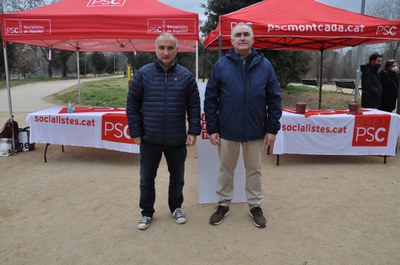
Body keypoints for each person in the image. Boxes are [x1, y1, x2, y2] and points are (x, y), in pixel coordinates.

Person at [204, 22, 282, 228]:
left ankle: (255, 206)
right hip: (227, 129)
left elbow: (274, 98)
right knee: (225, 169)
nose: (242, 38)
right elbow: (211, 98)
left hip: (256, 130)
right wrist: (212, 128)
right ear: (232, 40)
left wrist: (272, 128)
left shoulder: (265, 65)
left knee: (254, 170)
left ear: (253, 39)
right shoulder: (221, 65)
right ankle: (223, 205)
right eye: (238, 35)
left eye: (246, 34)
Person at [126, 33, 201, 230]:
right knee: (146, 178)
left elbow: (194, 106)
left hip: (177, 139)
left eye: (170, 48)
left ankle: (176, 207)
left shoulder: (186, 76)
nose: (166, 52)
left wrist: (193, 130)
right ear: (155, 49)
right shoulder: (143, 74)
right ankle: (146, 212)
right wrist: (136, 132)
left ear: (177, 49)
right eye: (162, 47)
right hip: (150, 138)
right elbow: (132, 105)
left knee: (177, 177)